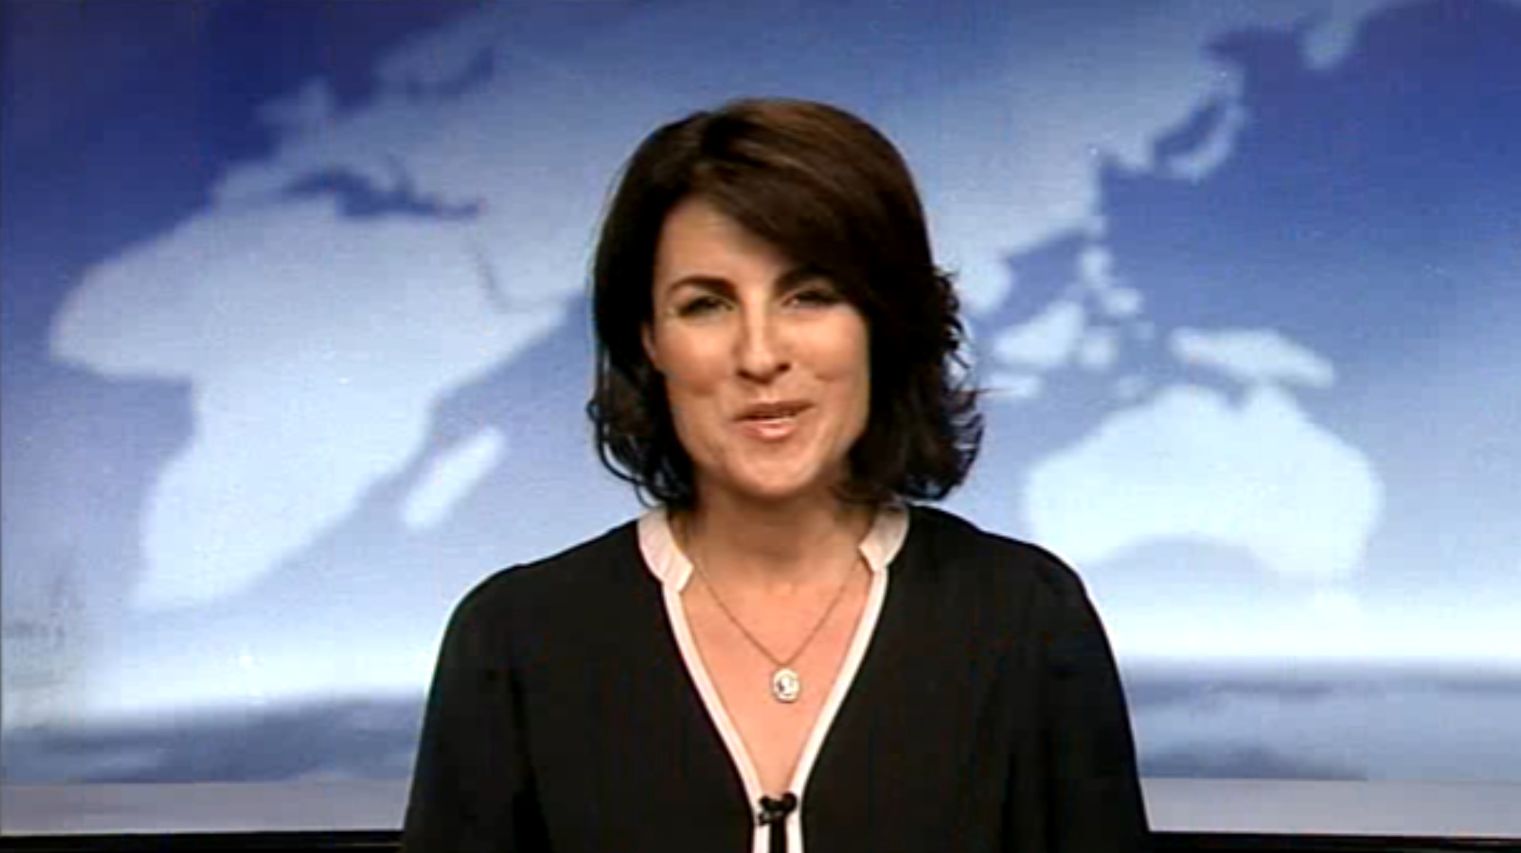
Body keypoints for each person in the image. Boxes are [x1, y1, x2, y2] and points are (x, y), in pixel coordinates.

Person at [402, 98, 1149, 853]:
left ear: (881, 322)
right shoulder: (517, 641)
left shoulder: (1023, 619)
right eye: (706, 304)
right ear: (650, 340)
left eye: (809, 296)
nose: (759, 354)